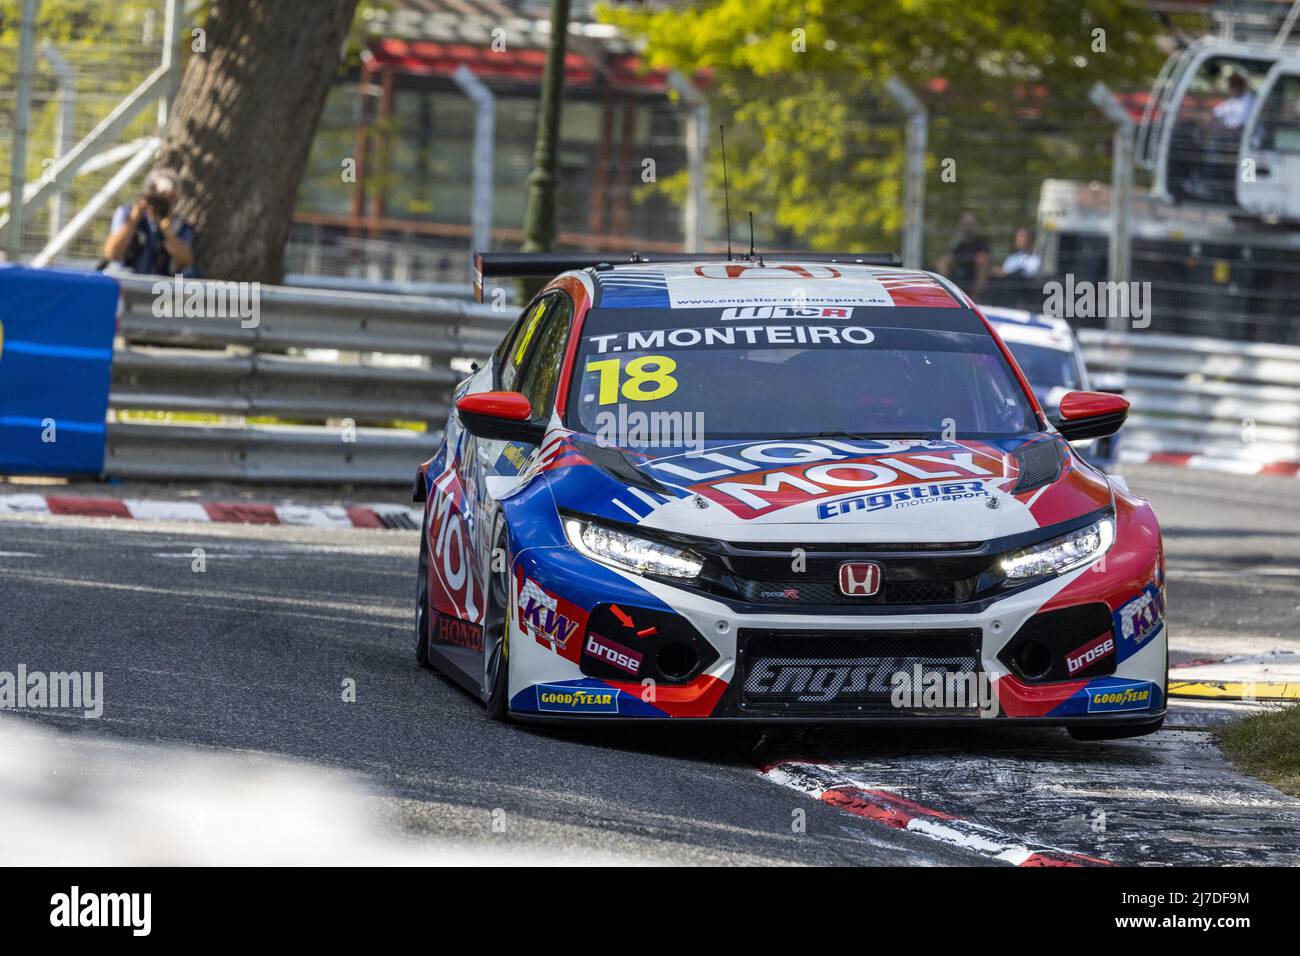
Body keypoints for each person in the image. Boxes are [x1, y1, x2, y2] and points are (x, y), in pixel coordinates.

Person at [102, 168, 195, 275]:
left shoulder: (179, 225)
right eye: (159, 197)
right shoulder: (127, 213)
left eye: (170, 199)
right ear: (148, 194)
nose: (163, 204)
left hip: (160, 287)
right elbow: (112, 254)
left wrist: (168, 234)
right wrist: (133, 222)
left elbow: (186, 263)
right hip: (126, 280)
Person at [937, 210, 990, 299]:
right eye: (965, 224)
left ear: (975, 225)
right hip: (958, 277)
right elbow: (947, 257)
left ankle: (974, 298)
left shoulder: (980, 243)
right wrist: (943, 264)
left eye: (970, 224)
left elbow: (984, 259)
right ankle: (947, 295)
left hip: (973, 277)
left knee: (982, 263)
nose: (967, 227)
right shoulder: (959, 244)